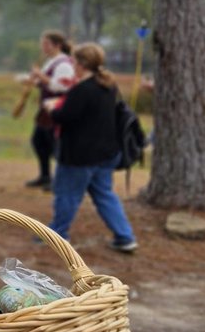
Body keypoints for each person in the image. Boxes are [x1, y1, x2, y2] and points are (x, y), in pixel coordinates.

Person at [45, 42, 137, 253]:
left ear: (82, 63)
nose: (72, 64)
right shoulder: (107, 86)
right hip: (106, 153)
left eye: (74, 61)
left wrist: (51, 108)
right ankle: (125, 237)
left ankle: (58, 235)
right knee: (105, 195)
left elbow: (64, 117)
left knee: (67, 194)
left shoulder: (81, 90)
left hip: (79, 155)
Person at [24, 31, 75, 190]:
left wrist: (40, 75)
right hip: (45, 109)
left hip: (57, 108)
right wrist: (35, 80)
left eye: (46, 44)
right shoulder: (51, 62)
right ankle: (45, 176)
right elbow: (46, 83)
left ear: (57, 45)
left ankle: (60, 181)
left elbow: (61, 86)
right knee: (39, 141)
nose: (43, 47)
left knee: (54, 144)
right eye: (43, 43)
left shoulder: (64, 64)